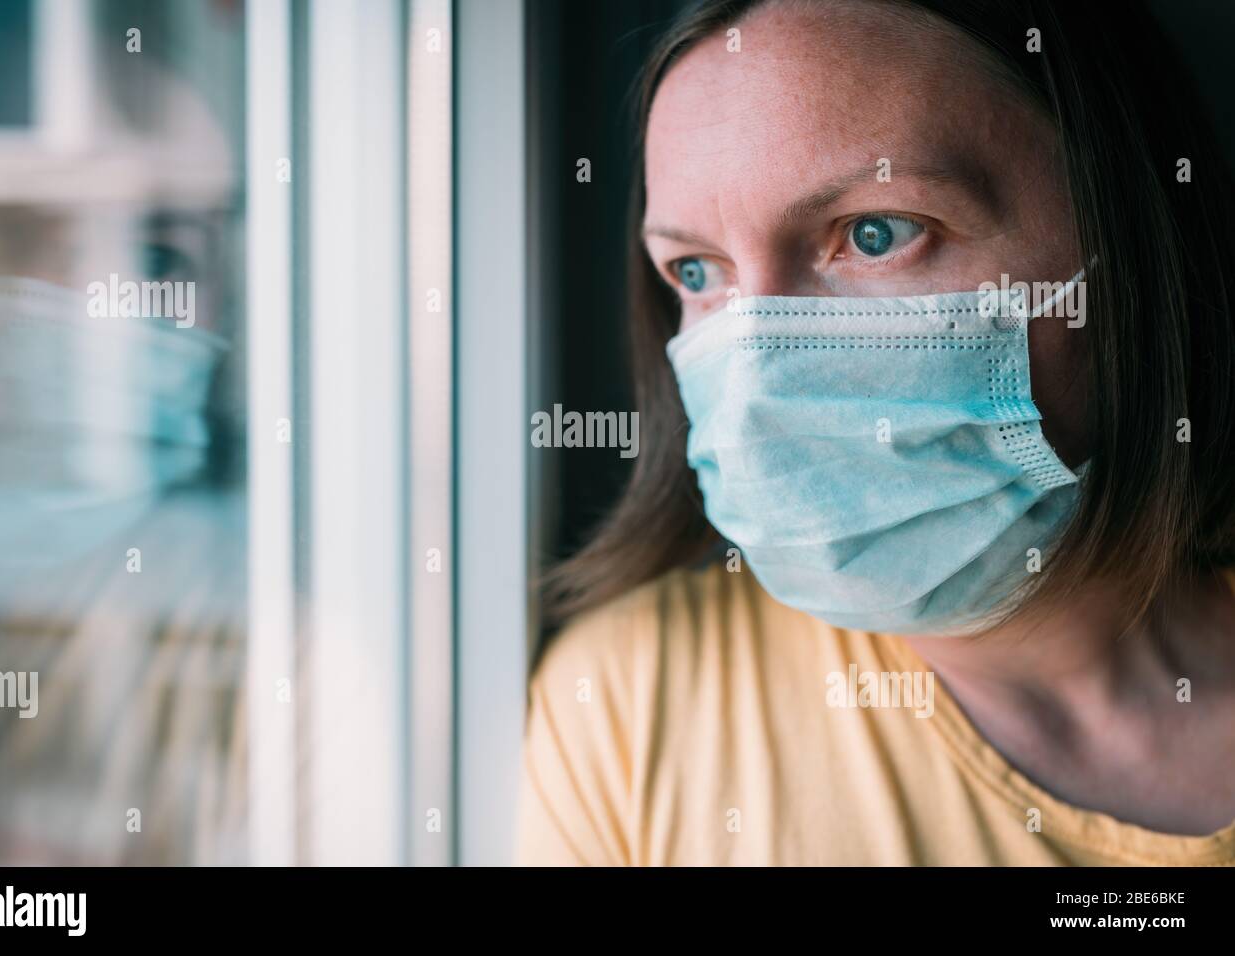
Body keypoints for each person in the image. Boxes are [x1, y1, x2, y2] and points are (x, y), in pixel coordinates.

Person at [517, 0, 1235, 865]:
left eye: (874, 232)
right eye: (698, 271)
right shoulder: (629, 713)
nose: (756, 373)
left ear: (1123, 236)